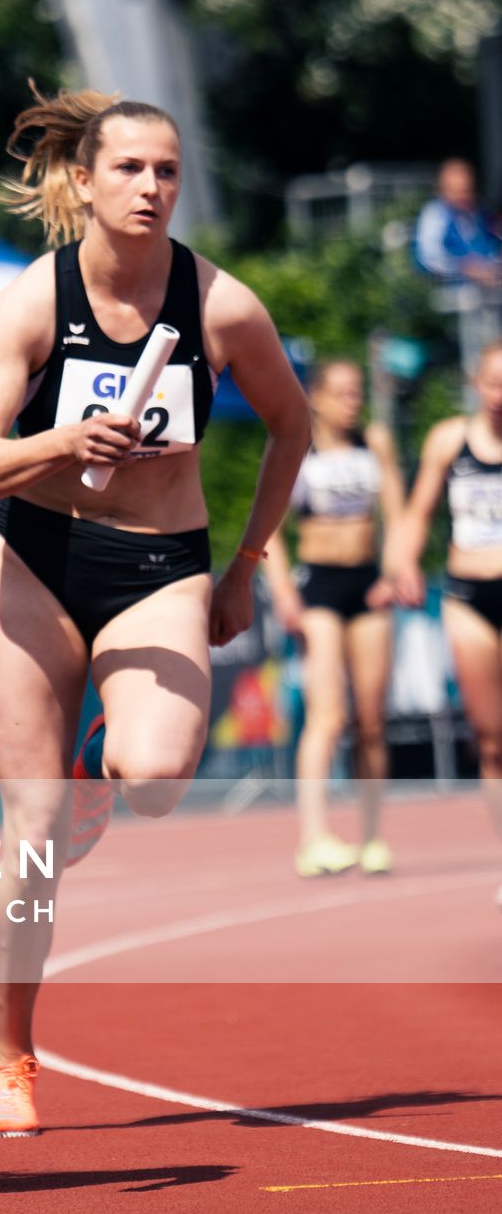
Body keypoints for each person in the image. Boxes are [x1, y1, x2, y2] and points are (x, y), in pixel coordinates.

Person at [0, 85, 311, 1137]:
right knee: (29, 838)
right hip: (35, 564)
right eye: (128, 170)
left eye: (165, 172)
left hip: (160, 567)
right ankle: (12, 1055)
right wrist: (64, 443)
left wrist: (244, 561)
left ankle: (103, 754)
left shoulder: (220, 305)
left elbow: (287, 428)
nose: (150, 188)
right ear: (83, 182)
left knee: (152, 780)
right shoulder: (31, 301)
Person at [264, 360, 405, 878]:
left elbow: (398, 510)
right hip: (318, 587)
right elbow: (270, 525)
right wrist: (283, 592)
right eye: (342, 393)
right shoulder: (298, 446)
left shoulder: (376, 443)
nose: (353, 401)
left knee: (371, 721)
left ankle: (371, 838)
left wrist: (395, 571)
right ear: (316, 398)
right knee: (328, 716)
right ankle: (313, 838)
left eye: (357, 392)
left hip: (367, 585)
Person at [387, 339, 502, 906]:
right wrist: (405, 561)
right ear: (476, 385)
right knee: (492, 738)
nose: (501, 397)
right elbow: (418, 512)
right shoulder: (448, 441)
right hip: (469, 595)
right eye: (493, 384)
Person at [414, 159, 502, 287]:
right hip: (450, 292)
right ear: (444, 190)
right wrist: (467, 268)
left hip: (484, 290)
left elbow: (491, 246)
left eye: (467, 190)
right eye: (458, 191)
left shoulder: (478, 214)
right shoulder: (435, 214)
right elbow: (430, 256)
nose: (464, 196)